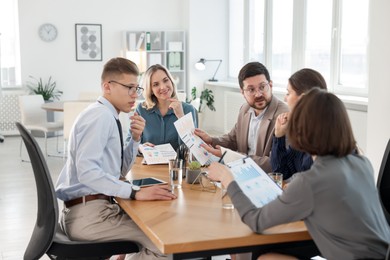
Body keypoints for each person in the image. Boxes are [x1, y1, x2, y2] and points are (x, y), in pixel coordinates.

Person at [207, 88, 390, 260]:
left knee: (264, 257)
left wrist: (227, 178)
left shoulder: (311, 181)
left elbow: (256, 220)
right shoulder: (361, 163)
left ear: (301, 129)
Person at [55, 57, 176, 260]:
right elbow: (87, 172)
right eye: (129, 87)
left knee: (156, 229)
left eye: (136, 88)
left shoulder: (107, 115)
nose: (134, 95)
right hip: (90, 217)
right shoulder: (100, 117)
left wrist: (135, 139)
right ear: (107, 87)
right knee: (165, 242)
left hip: (90, 211)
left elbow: (118, 172)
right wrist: (134, 193)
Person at [195, 62, 288, 173]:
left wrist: (233, 157)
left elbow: (274, 163)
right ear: (242, 92)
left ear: (271, 85)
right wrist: (211, 140)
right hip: (243, 172)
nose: (258, 94)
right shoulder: (245, 109)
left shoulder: (284, 116)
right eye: (251, 89)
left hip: (269, 179)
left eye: (262, 87)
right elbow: (232, 140)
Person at [271, 68, 327, 180]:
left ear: (303, 99)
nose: (285, 98)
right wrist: (279, 135)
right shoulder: (302, 130)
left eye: (288, 93)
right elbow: (281, 173)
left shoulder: (323, 137)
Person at [126, 64, 197, 151]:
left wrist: (181, 118)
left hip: (177, 164)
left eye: (165, 80)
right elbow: (129, 143)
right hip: (148, 164)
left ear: (171, 81)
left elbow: (193, 149)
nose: (163, 87)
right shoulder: (141, 110)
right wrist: (140, 148)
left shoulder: (188, 110)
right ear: (151, 90)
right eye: (156, 84)